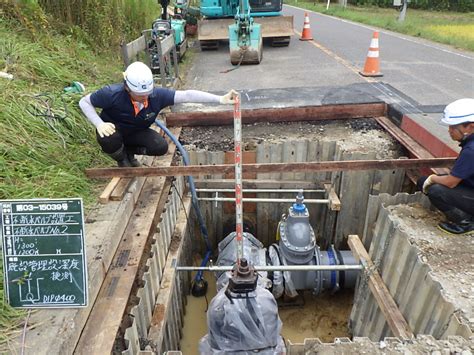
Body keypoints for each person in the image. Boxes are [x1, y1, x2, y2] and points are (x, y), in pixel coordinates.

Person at [79, 61, 238, 167]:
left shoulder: (157, 96)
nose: (144, 97)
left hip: (136, 133)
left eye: (147, 94)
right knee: (109, 138)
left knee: (160, 147)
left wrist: (220, 99)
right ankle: (121, 160)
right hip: (114, 131)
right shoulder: (111, 94)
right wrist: (99, 124)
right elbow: (84, 102)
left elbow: (187, 95)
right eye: (139, 94)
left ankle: (129, 152)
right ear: (127, 87)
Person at [417, 98, 474, 235]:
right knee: (423, 181)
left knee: (436, 190)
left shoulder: (471, 150)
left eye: (454, 127)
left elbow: (451, 182)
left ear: (471, 126)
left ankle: (466, 223)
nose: (450, 131)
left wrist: (432, 179)